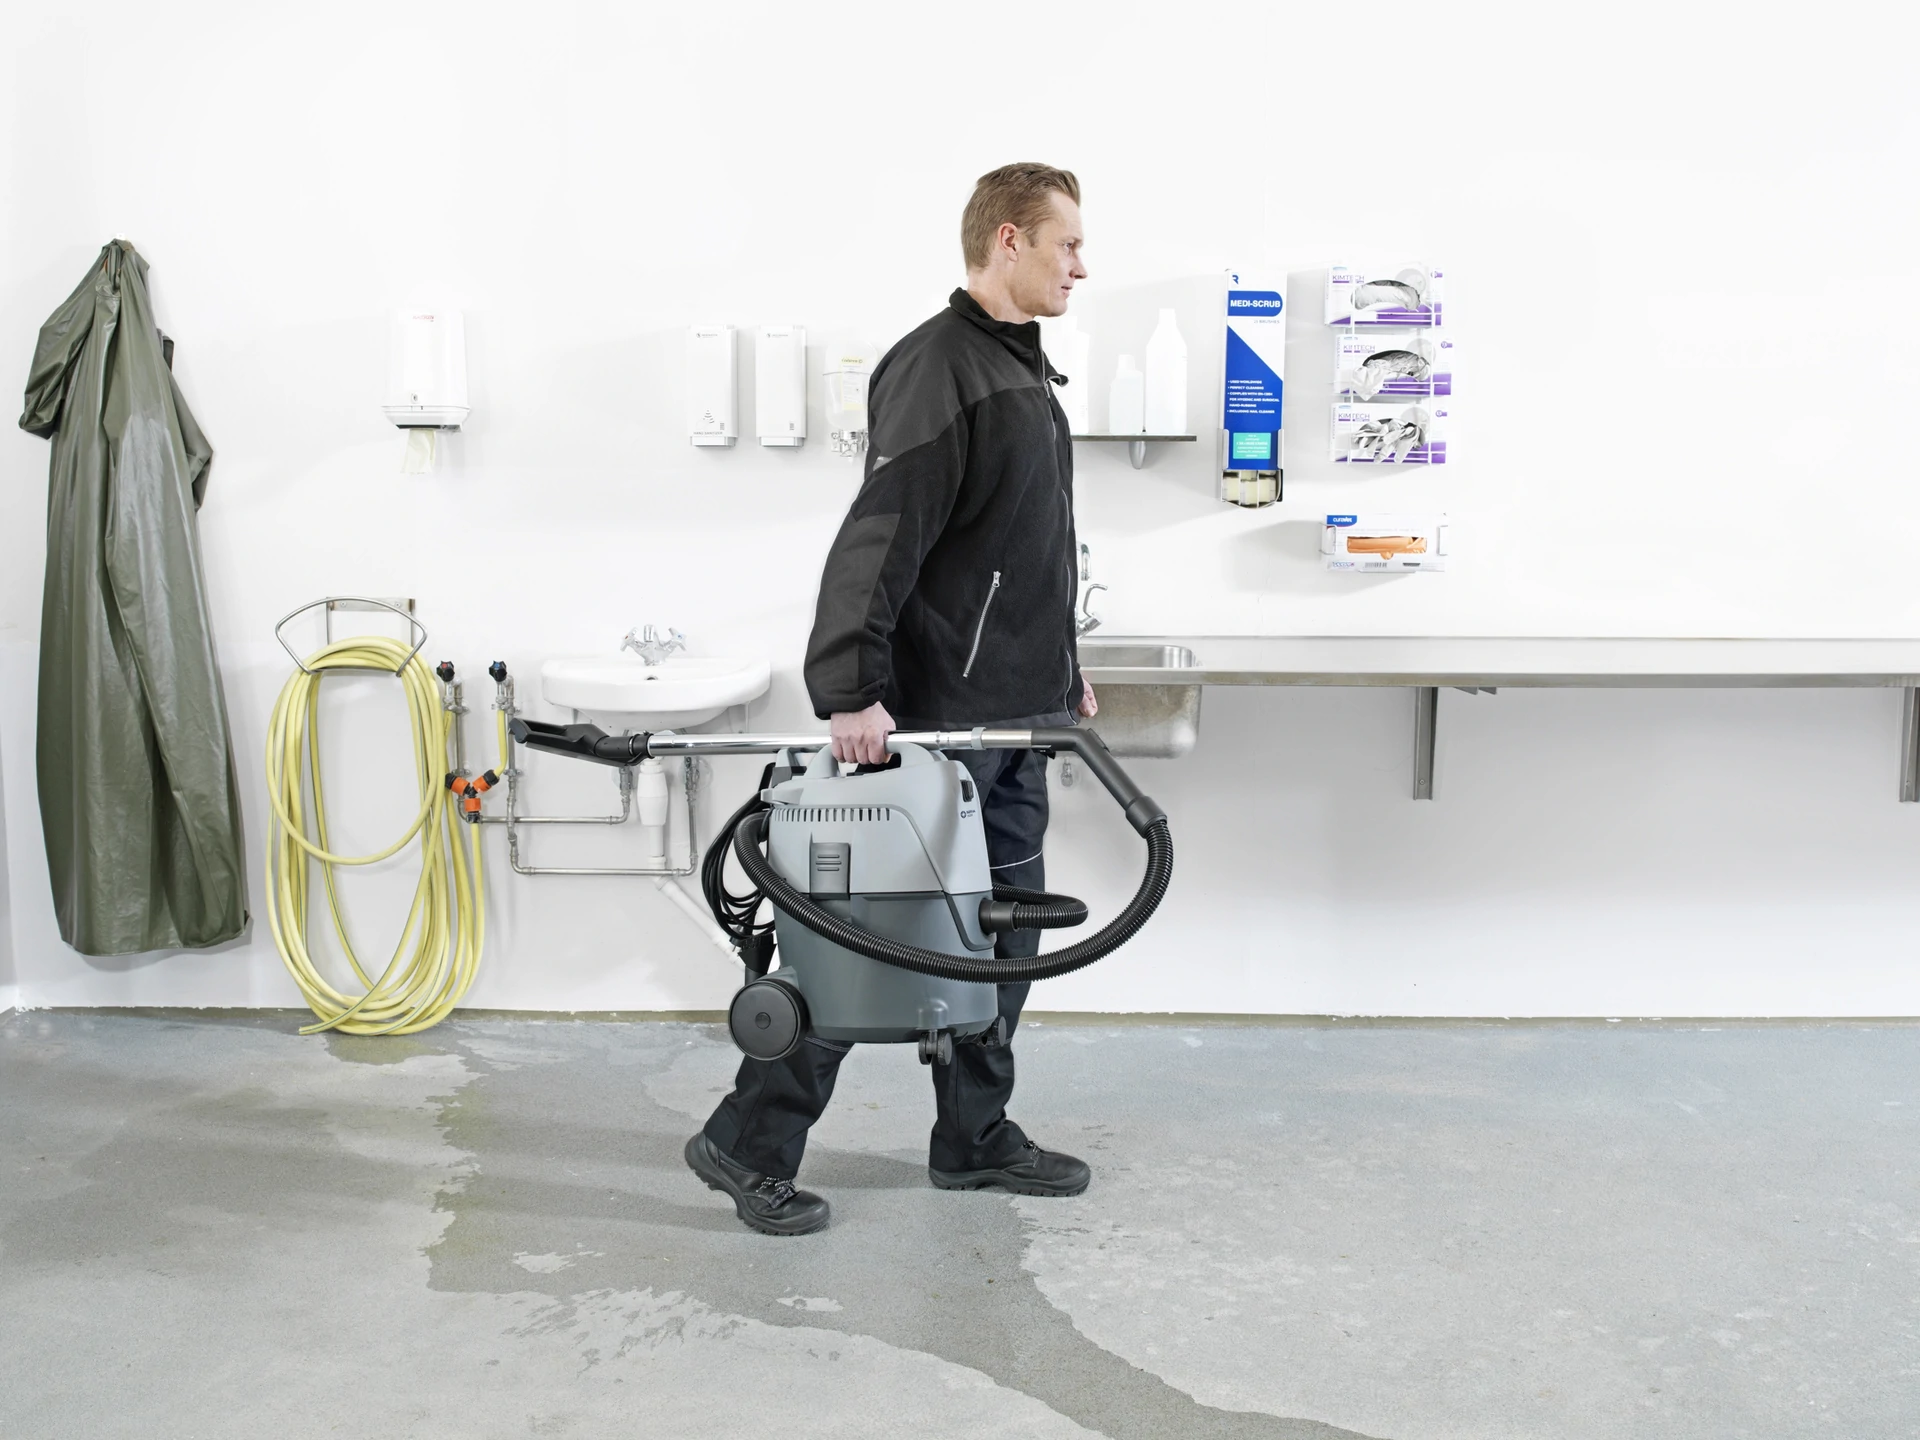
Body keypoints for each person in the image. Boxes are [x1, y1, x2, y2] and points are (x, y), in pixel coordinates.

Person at [685, 163, 1098, 1236]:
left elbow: (1018, 548)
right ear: (1008, 240)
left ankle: (974, 1137)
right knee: (872, 945)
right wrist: (851, 688)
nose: (1080, 266)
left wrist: (1061, 667)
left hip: (1014, 720)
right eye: (1066, 244)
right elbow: (882, 535)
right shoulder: (939, 366)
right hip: (939, 725)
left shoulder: (1018, 367)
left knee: (1000, 944)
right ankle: (746, 1142)